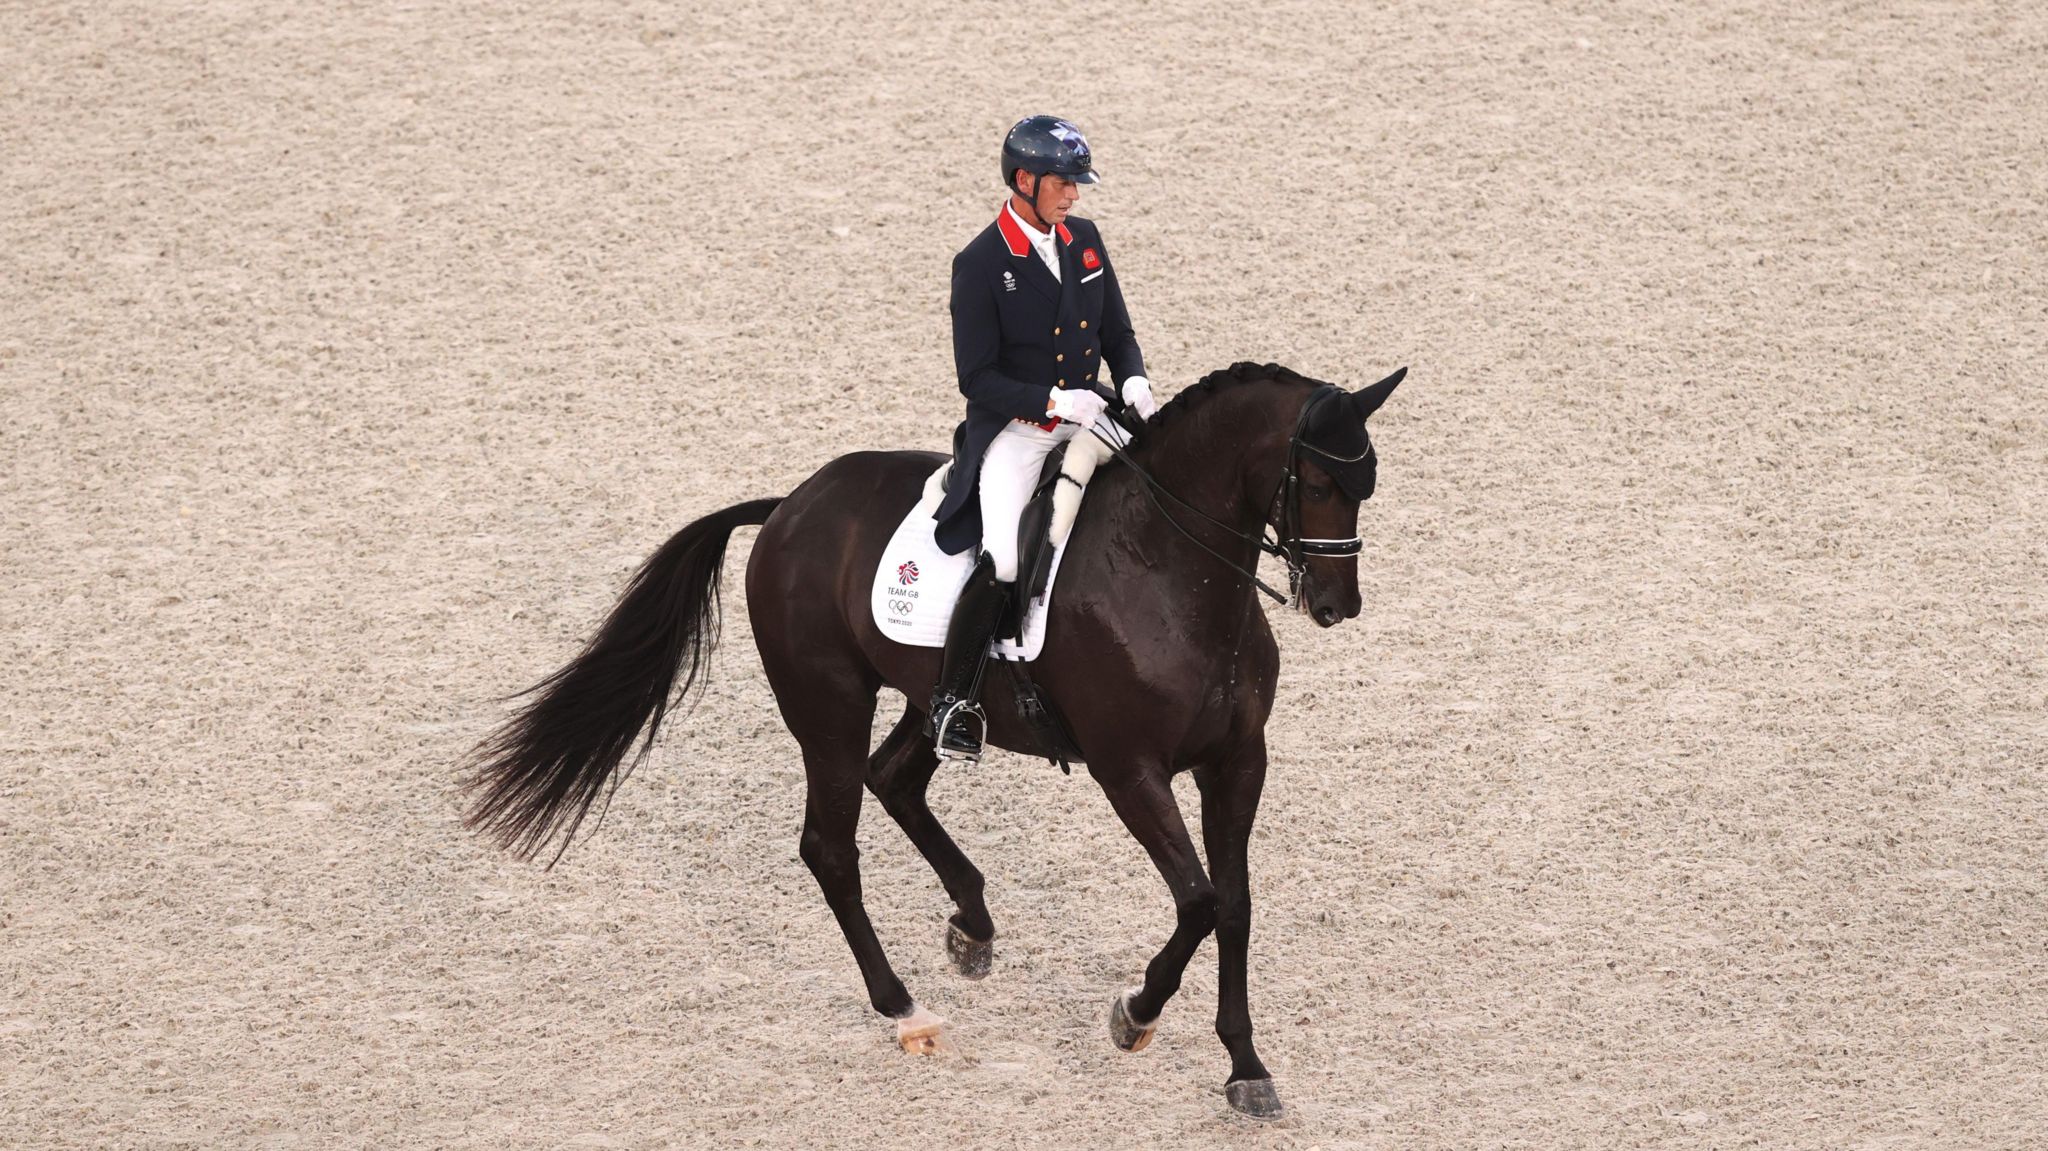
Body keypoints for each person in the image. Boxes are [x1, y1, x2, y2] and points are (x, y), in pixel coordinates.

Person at [927, 115, 1156, 762]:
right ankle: (955, 700)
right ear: (1023, 180)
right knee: (1002, 556)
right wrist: (1051, 401)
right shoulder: (980, 264)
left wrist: (1134, 380)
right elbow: (977, 378)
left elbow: (1117, 332)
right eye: (1063, 183)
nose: (1074, 195)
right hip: (1020, 432)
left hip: (1092, 413)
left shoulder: (1084, 241)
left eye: (1077, 184)